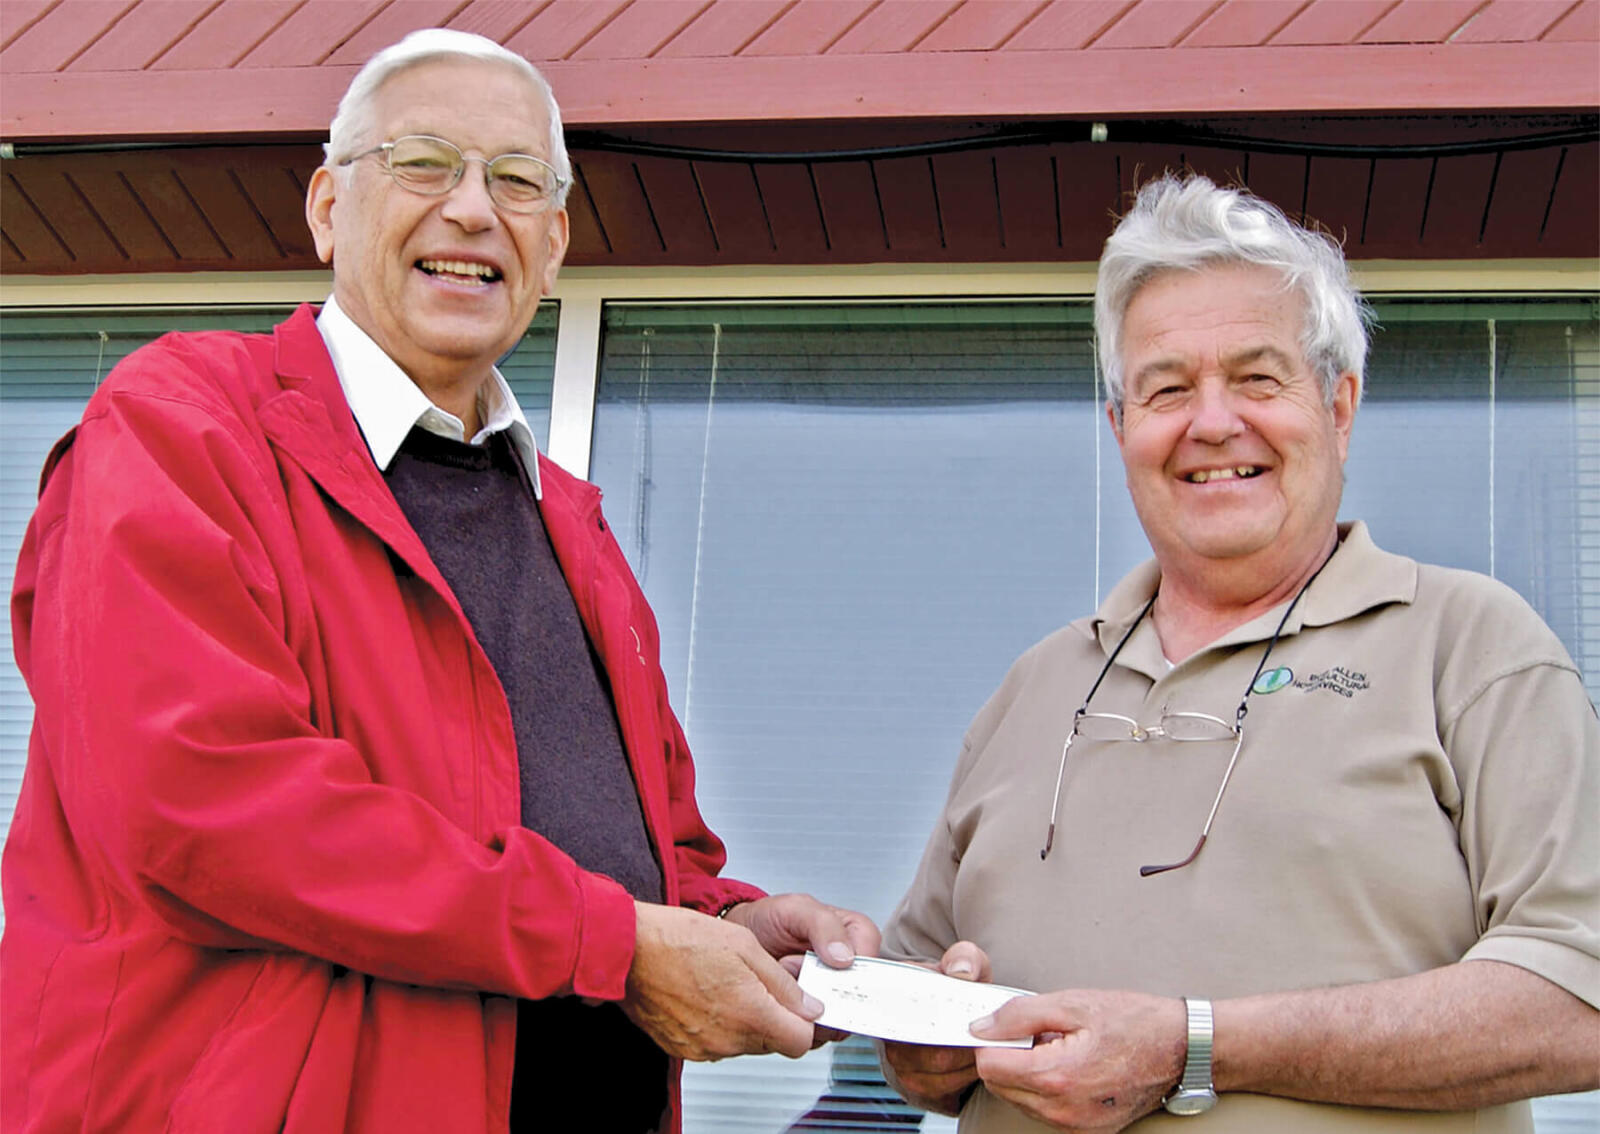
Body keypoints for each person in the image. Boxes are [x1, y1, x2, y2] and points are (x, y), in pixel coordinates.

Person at [1, 28, 877, 1134]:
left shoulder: (576, 532)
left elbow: (630, 861)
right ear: (327, 207)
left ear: (552, 246)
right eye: (423, 162)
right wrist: (615, 943)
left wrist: (728, 925)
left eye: (516, 182)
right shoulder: (184, 427)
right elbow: (199, 803)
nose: (473, 209)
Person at [878, 175, 1598, 1132]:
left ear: (1338, 408)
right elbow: (918, 1006)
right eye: (1167, 388)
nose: (1212, 423)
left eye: (1258, 378)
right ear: (1121, 428)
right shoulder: (1036, 684)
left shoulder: (1471, 645)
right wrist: (925, 1038)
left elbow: (1579, 1000)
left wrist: (1194, 1045)